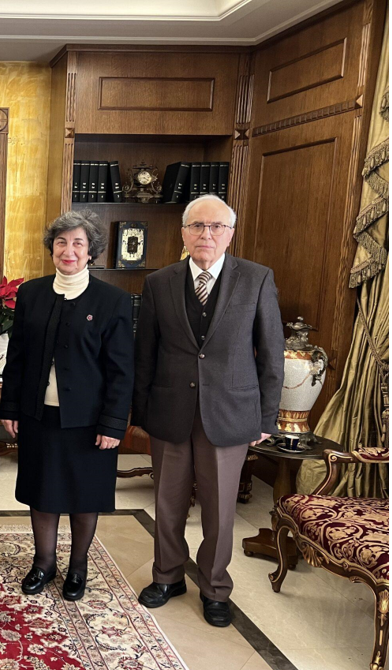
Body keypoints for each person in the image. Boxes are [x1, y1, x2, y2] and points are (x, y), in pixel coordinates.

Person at [132, 194, 284, 627]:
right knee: (168, 502)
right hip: (170, 410)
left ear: (230, 234)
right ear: (183, 233)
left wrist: (266, 418)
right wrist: (140, 411)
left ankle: (215, 587)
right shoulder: (159, 282)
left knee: (219, 511)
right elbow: (146, 352)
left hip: (231, 413)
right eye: (198, 226)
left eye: (216, 227)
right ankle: (167, 576)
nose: (206, 234)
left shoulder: (256, 279)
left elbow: (272, 353)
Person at [0, 211, 133, 601]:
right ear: (52, 249)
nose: (68, 251)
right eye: (61, 242)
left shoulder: (113, 300)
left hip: (90, 422)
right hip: (39, 415)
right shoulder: (31, 294)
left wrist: (112, 424)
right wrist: (9, 408)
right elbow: (18, 358)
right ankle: (43, 563)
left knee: (83, 495)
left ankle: (77, 567)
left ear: (91, 251)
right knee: (43, 492)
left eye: (77, 243)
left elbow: (122, 369)